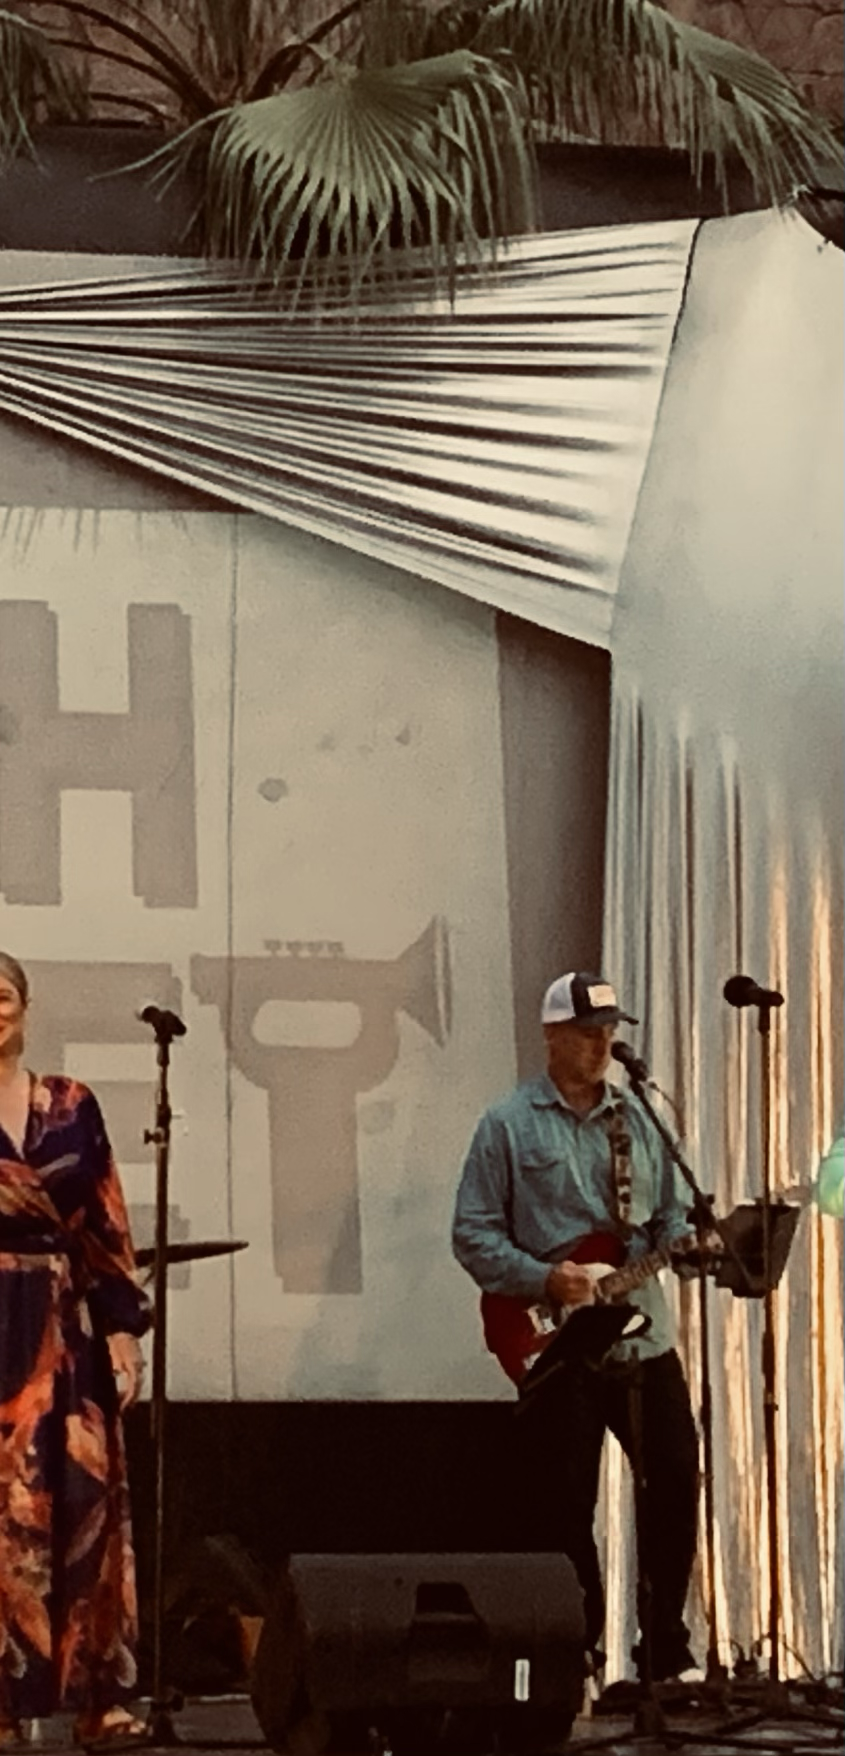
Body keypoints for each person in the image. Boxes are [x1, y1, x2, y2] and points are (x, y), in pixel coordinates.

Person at [452, 970, 699, 1683]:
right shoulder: (507, 1124)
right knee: (563, 1502)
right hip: (558, 1342)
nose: (600, 1045)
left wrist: (692, 1243)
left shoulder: (642, 1120)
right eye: (586, 1032)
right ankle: (577, 1647)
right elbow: (471, 1234)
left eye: (608, 1032)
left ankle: (662, 1653)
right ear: (551, 1035)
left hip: (643, 1335)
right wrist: (547, 1279)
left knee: (676, 1479)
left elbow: (670, 1219)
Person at [0, 951, 152, 1748]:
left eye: (4, 993)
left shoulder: (69, 1104)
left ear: (26, 1005)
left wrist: (122, 1328)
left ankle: (100, 1693)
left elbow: (102, 1217)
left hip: (58, 1325)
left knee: (85, 1500)